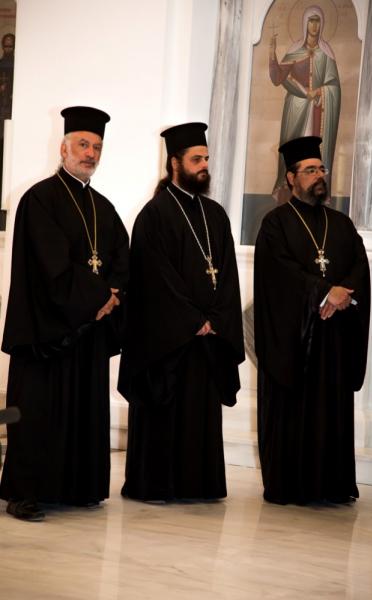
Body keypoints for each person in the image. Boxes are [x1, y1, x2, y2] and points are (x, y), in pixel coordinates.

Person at [0, 106, 129, 521]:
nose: (90, 153)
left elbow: (121, 258)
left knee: (81, 413)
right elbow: (50, 264)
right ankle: (25, 494)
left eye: (97, 147)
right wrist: (100, 297)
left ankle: (77, 489)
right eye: (83, 144)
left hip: (88, 331)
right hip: (46, 331)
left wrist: (112, 295)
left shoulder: (105, 208)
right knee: (38, 414)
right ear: (64, 148)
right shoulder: (40, 199)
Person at [118, 122, 244, 502]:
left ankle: (199, 485)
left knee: (200, 413)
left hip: (208, 339)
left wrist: (216, 320)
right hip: (168, 344)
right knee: (166, 412)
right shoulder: (154, 215)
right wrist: (193, 320)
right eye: (196, 159)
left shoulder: (215, 215)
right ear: (175, 163)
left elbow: (227, 275)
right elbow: (154, 279)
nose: (204, 165)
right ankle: (157, 486)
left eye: (206, 158)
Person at [254, 136, 370, 505]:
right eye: (310, 170)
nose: (319, 176)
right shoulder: (275, 224)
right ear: (291, 178)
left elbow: (359, 266)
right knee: (295, 411)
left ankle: (332, 485)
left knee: (331, 411)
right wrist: (323, 292)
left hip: (334, 339)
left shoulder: (341, 224)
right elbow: (278, 274)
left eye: (321, 169)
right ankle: (291, 485)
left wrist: (341, 293)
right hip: (294, 343)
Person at [269, 6, 341, 203]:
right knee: (292, 154)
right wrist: (272, 53)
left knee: (313, 154)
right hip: (295, 110)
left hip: (318, 110)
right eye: (311, 21)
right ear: (304, 24)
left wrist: (321, 91)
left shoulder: (326, 54)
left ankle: (315, 195)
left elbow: (334, 84)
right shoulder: (295, 50)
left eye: (317, 21)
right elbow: (278, 77)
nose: (314, 26)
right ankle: (288, 194)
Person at [0, 32, 15, 119]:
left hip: (11, 99)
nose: (8, 48)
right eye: (6, 46)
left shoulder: (17, 63)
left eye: (10, 46)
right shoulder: (1, 62)